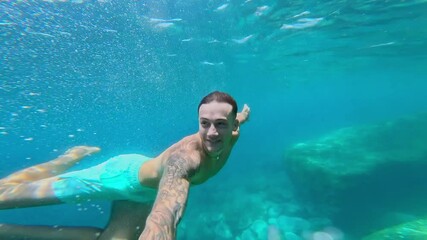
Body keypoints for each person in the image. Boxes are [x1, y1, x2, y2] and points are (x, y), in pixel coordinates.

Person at [0, 91, 251, 240]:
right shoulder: (186, 158)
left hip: (144, 192)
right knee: (3, 196)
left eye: (221, 124)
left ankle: (5, 231)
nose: (212, 133)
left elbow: (237, 118)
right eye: (204, 123)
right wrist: (159, 231)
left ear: (233, 125)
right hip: (119, 177)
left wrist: (243, 116)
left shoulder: (234, 131)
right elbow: (166, 210)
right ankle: (64, 161)